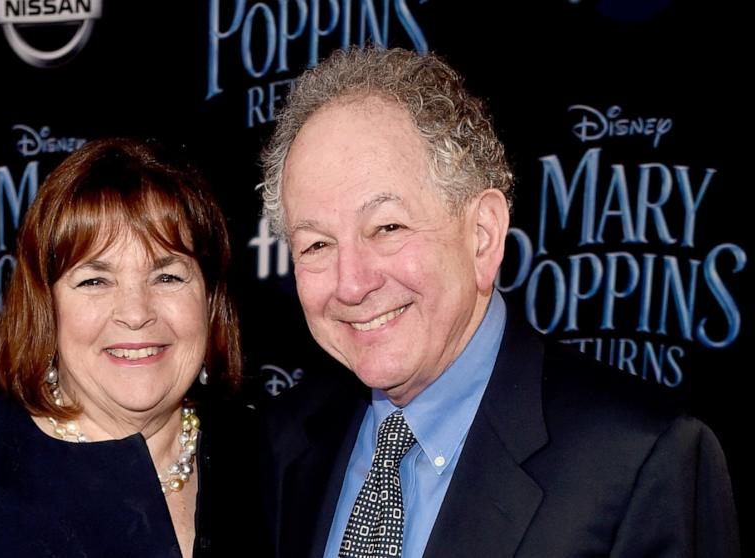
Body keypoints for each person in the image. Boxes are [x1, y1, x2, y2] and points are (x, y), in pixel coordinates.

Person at [258, 47, 740, 558]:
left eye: (388, 227)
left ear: (483, 236)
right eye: (316, 245)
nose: (351, 284)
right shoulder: (281, 441)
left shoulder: (644, 461)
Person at [0, 138, 267, 557]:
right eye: (94, 281)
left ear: (211, 300)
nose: (136, 313)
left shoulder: (272, 460)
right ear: (45, 307)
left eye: (168, 277)